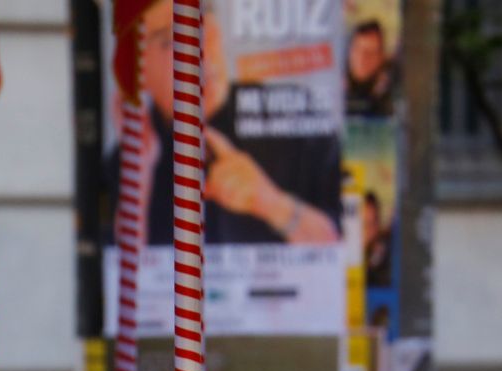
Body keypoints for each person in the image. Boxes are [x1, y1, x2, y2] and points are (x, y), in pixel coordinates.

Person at [109, 0, 342, 246]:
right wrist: (141, 178)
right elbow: (119, 272)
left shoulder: (297, 116)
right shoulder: (129, 161)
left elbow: (344, 248)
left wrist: (271, 204)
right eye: (170, 40)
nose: (200, 51)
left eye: (203, 25)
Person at [345, 18, 396, 116]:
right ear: (349, 52)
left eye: (371, 53)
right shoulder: (330, 84)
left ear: (381, 58)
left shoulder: (392, 90)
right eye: (358, 49)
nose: (363, 58)